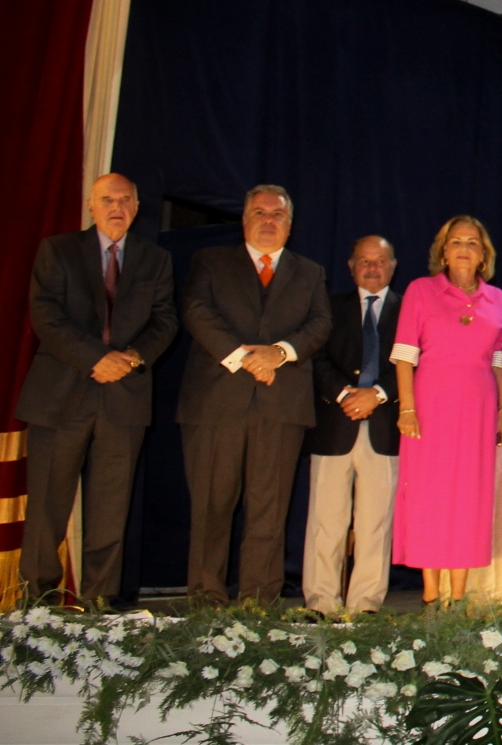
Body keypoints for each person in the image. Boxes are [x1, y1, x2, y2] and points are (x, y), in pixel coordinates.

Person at [16, 173, 177, 605]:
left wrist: (132, 358)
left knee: (111, 510)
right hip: (60, 396)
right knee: (47, 509)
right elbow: (46, 315)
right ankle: (38, 607)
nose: (116, 207)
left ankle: (97, 607)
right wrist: (96, 358)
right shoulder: (59, 250)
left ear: (137, 208)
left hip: (124, 399)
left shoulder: (155, 259)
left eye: (125, 200)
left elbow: (165, 321)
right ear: (91, 205)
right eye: (107, 199)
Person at [177, 184, 332, 604]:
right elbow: (196, 311)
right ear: (244, 220)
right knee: (211, 507)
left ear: (290, 225)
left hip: (281, 407)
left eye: (277, 215)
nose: (268, 221)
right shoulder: (211, 261)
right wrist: (245, 357)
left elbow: (320, 323)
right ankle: (206, 601)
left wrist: (279, 353)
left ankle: (259, 604)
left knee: (270, 510)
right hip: (215, 404)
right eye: (260, 213)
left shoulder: (310, 272)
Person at [391, 215, 502, 606]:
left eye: (472, 243)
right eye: (455, 242)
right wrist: (407, 408)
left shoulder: (498, 298)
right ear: (443, 252)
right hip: (430, 404)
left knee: (468, 498)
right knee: (430, 496)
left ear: (483, 255)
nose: (463, 249)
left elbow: (500, 359)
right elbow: (405, 354)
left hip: (478, 407)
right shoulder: (421, 290)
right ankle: (430, 594)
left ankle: (458, 597)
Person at [303, 235, 402, 614]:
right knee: (326, 520)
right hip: (334, 424)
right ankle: (321, 602)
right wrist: (345, 395)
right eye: (364, 261)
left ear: (393, 266)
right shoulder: (328, 308)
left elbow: (414, 361)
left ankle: (365, 604)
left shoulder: (409, 310)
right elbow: (316, 357)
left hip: (385, 427)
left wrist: (377, 394)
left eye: (380, 261)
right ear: (351, 266)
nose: (372, 268)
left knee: (375, 522)